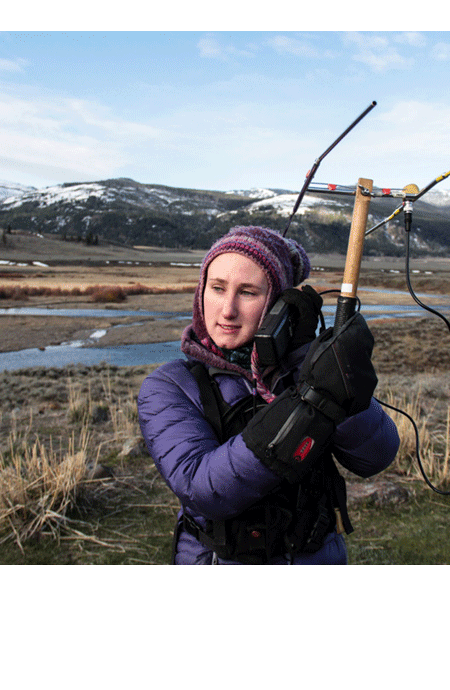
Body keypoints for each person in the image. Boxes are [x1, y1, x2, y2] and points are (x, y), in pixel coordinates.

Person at [137, 226, 399, 564]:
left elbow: (375, 456)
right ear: (201, 293)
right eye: (217, 288)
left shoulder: (302, 368)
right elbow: (204, 489)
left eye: (247, 292)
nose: (227, 309)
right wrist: (311, 398)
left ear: (277, 303)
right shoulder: (171, 385)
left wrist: (307, 358)